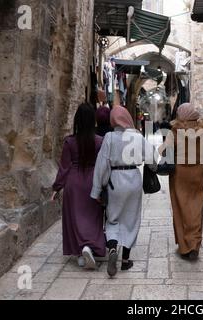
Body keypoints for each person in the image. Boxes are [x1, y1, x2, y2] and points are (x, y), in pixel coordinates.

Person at [91, 106, 157, 277]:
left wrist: (97, 189)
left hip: (115, 180)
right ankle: (126, 261)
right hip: (133, 178)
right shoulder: (136, 136)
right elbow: (153, 157)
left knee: (113, 218)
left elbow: (102, 165)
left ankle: (112, 248)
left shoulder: (109, 137)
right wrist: (152, 167)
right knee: (131, 219)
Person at [51, 103, 106, 270]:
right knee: (93, 217)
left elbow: (64, 168)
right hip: (93, 182)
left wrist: (56, 188)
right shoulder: (100, 142)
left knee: (75, 219)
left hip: (73, 184)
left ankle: (81, 252)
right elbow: (103, 165)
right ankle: (89, 247)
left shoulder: (69, 142)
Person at [160, 103, 203, 261]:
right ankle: (194, 244)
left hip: (180, 174)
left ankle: (184, 246)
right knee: (196, 207)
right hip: (199, 172)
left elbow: (163, 150)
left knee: (180, 208)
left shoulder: (175, 130)